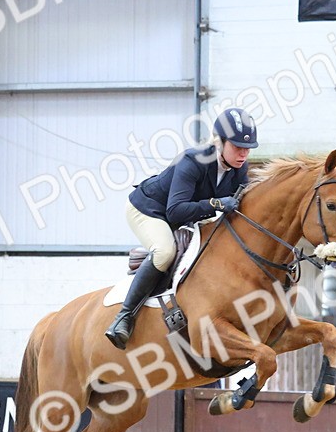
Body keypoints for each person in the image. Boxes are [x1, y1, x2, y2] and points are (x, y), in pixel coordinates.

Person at [104, 107, 259, 350]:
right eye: (238, 147)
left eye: (247, 149)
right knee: (165, 251)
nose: (243, 154)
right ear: (220, 142)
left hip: (184, 216)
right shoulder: (193, 160)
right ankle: (124, 317)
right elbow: (175, 210)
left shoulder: (240, 168)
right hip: (149, 209)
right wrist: (217, 203)